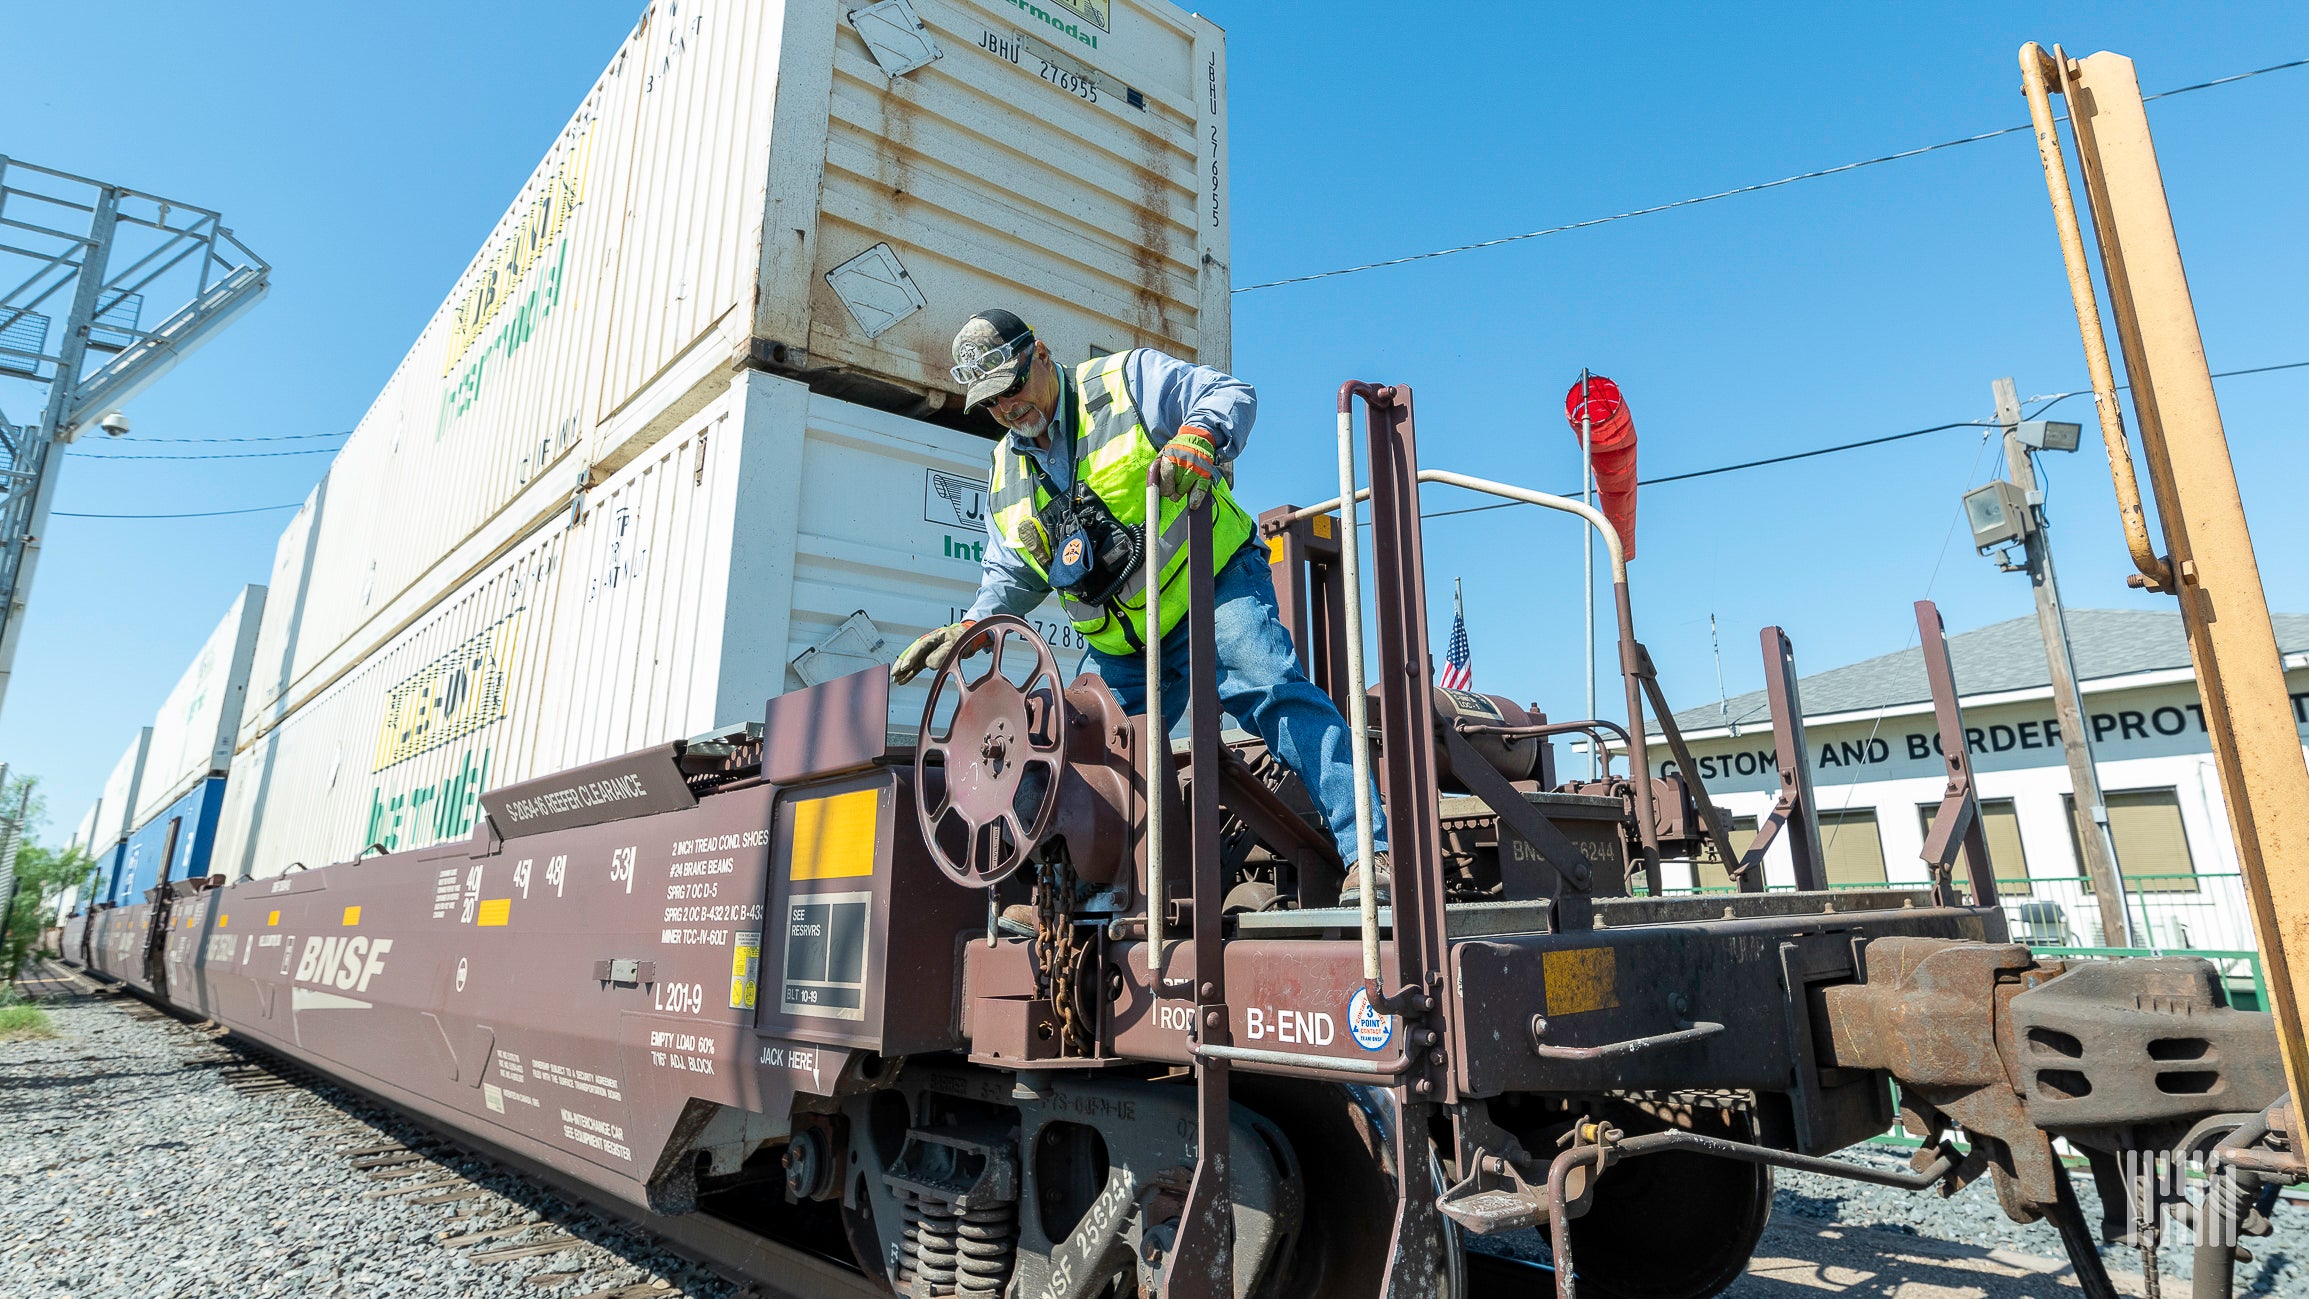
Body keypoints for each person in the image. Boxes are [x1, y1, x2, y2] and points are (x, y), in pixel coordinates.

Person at [893, 310, 1392, 902]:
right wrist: (976, 622)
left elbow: (1231, 393)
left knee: (1274, 693)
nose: (1008, 408)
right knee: (1088, 745)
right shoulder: (1006, 470)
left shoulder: (1124, 384)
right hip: (1126, 646)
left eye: (1013, 387)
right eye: (993, 402)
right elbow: (1011, 573)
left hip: (1210, 587)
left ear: (1042, 355)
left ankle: (1372, 854)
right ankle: (1078, 893)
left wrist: (1198, 434)